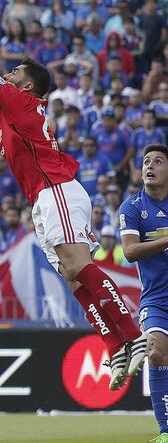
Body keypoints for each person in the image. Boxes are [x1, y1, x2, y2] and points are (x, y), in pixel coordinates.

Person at [0, 7, 153, 391]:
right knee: (73, 277)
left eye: (16, 74)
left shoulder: (22, 105)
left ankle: (133, 333)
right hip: (44, 199)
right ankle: (114, 345)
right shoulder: (14, 110)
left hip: (56, 190)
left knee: (77, 266)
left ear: (27, 88)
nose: (8, 76)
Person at [119, 144, 168, 443]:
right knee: (155, 353)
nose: (150, 165)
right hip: (156, 298)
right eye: (146, 161)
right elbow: (130, 251)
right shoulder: (133, 207)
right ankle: (165, 432)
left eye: (158, 161)